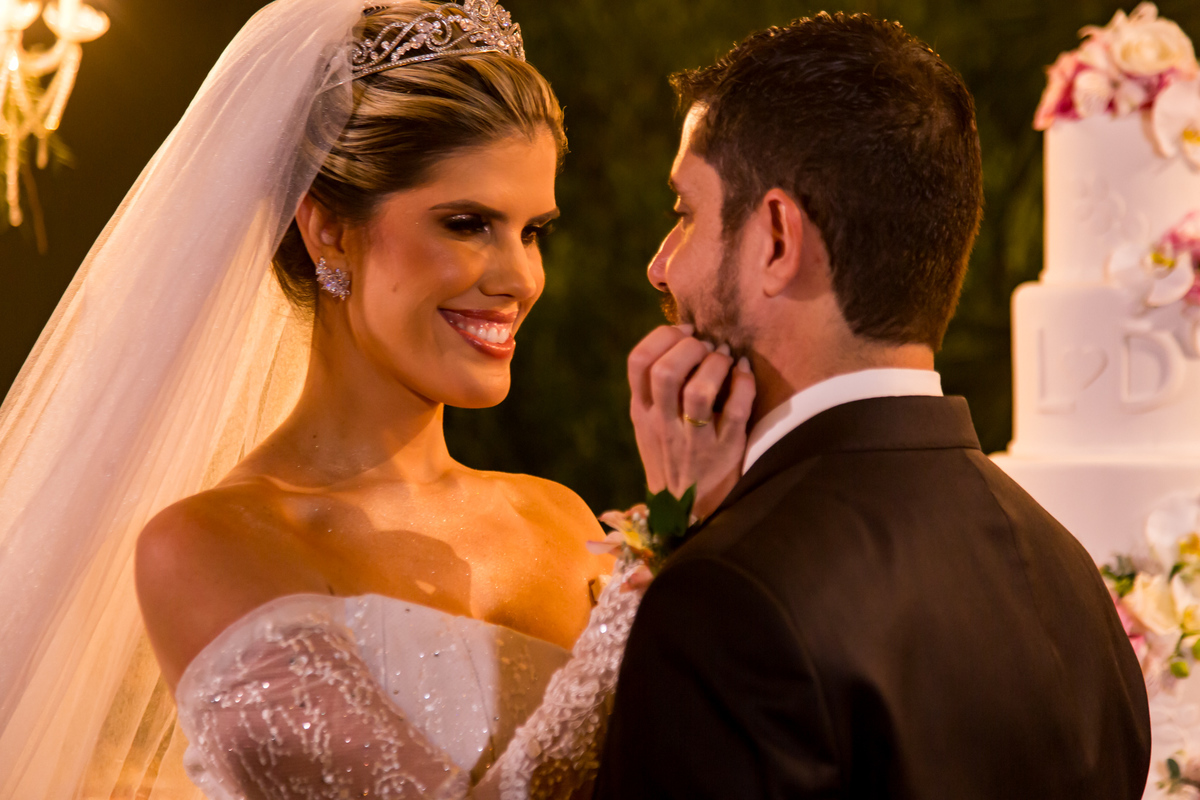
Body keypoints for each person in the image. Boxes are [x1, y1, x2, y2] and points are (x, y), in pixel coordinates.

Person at [0, 1, 695, 797]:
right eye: (467, 223)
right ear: (329, 229)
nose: (520, 278)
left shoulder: (563, 523)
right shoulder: (209, 547)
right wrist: (657, 558)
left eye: (532, 231)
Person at [595, 12, 1152, 799]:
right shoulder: (1070, 577)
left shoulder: (725, 596)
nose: (662, 267)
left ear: (777, 239)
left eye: (684, 213)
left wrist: (687, 534)